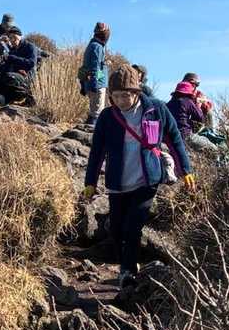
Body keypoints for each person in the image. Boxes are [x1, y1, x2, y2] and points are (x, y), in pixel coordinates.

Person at [83, 65, 196, 289]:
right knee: (116, 229)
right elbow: (97, 152)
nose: (120, 101)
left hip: (146, 180)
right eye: (116, 96)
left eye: (125, 95)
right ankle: (129, 263)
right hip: (118, 182)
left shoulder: (156, 109)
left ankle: (127, 272)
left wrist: (186, 170)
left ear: (136, 92)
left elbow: (174, 138)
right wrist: (90, 182)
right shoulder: (107, 117)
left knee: (133, 227)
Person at [0, 28, 44, 105]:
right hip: (14, 74)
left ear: (20, 37)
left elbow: (31, 63)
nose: (13, 40)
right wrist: (1, 64)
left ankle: (10, 99)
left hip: (26, 77)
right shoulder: (13, 50)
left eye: (15, 37)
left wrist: (12, 58)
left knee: (9, 77)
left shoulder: (30, 47)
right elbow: (8, 65)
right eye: (11, 38)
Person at [80, 23, 110, 127]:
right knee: (97, 113)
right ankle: (92, 132)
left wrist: (83, 84)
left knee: (93, 111)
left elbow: (85, 66)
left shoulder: (91, 45)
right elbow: (95, 67)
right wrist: (95, 83)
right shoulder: (97, 47)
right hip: (97, 84)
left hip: (91, 83)